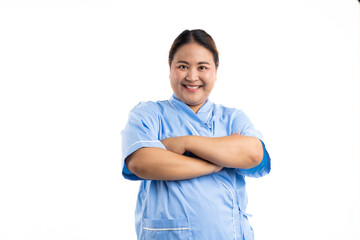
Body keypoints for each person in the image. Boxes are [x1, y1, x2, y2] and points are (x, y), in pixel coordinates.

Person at [121, 29, 271, 240]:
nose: (192, 77)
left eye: (202, 67)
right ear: (170, 68)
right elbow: (141, 162)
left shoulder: (232, 117)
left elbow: (254, 154)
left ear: (216, 71)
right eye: (182, 66)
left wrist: (185, 143)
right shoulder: (149, 114)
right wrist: (214, 164)